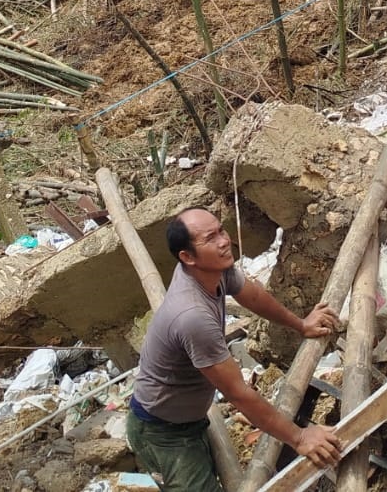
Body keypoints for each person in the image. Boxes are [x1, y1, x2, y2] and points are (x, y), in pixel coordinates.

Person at [126, 207, 343, 491]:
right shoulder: (192, 316)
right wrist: (299, 438)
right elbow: (238, 394)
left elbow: (252, 295)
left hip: (189, 419)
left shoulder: (214, 270)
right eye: (210, 238)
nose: (224, 241)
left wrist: (301, 325)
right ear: (187, 257)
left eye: (221, 231)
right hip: (163, 432)